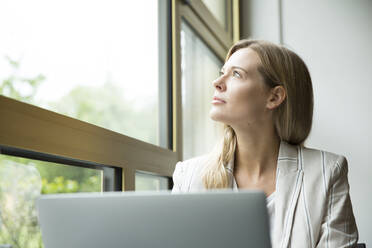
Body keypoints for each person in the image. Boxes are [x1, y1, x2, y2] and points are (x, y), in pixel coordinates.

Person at [171, 39, 358, 247]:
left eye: (236, 74)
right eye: (222, 72)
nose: (217, 82)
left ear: (274, 97)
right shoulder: (187, 177)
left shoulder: (326, 172)